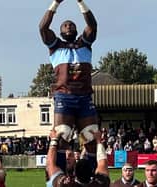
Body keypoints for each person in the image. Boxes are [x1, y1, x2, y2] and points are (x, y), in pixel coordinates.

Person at [39, 0, 99, 172]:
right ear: (60, 32)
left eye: (71, 25)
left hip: (84, 97)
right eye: (65, 25)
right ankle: (60, 177)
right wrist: (56, 3)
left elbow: (93, 25)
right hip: (64, 97)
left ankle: (90, 178)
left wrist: (80, 2)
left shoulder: (85, 44)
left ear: (77, 30)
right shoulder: (55, 46)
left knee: (90, 138)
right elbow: (42, 28)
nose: (68, 26)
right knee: (62, 136)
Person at [46, 129, 110, 187]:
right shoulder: (100, 183)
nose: (67, 158)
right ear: (93, 172)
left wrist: (54, 140)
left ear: (75, 173)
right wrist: (99, 141)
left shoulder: (66, 184)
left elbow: (50, 164)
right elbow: (102, 163)